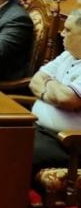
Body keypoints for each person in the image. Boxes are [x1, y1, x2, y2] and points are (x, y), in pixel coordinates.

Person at [29, 9, 81, 176]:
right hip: (38, 128)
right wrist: (54, 90)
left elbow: (67, 99)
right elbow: (35, 81)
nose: (62, 33)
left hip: (67, 143)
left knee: (15, 151)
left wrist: (48, 84)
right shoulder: (67, 55)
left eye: (68, 30)